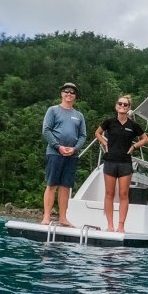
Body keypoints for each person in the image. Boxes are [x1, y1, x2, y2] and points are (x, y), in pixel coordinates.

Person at [94, 95, 148, 233]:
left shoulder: (133, 125)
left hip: (125, 163)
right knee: (109, 193)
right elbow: (97, 133)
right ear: (116, 106)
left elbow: (145, 139)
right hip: (110, 161)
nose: (123, 106)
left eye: (126, 105)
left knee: (124, 194)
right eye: (120, 104)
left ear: (129, 108)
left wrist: (134, 147)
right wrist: (105, 142)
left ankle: (121, 226)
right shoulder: (109, 122)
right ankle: (110, 225)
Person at [41, 82, 87, 227]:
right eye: (66, 91)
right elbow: (46, 130)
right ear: (61, 94)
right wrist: (58, 146)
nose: (69, 94)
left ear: (75, 96)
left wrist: (75, 149)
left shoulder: (79, 115)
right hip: (54, 153)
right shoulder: (52, 110)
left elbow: (83, 136)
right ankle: (46, 217)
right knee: (51, 185)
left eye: (72, 92)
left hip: (72, 155)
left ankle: (63, 218)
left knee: (65, 187)